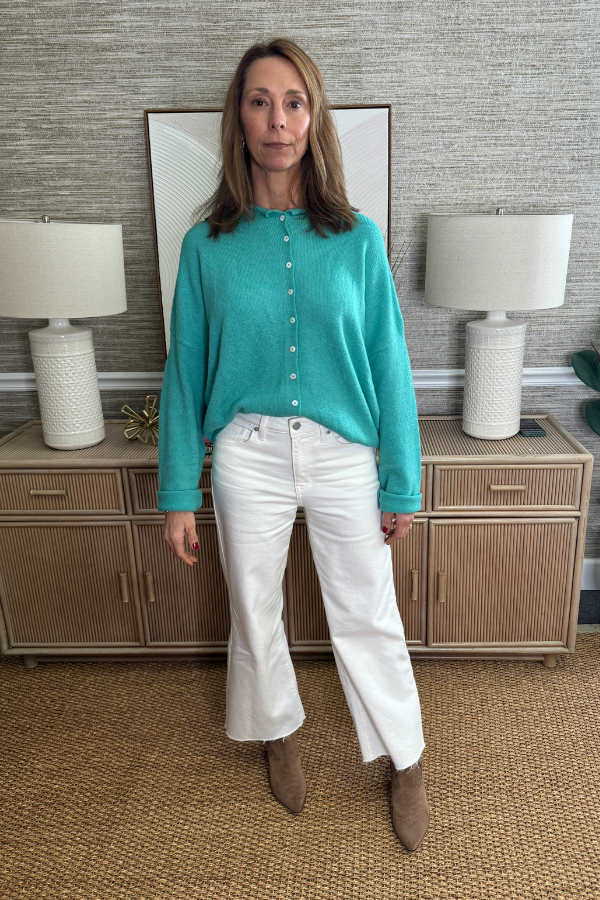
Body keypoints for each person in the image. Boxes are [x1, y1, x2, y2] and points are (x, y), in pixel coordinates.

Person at [157, 37, 430, 852]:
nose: (277, 120)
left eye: (294, 102)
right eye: (260, 102)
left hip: (345, 453)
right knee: (254, 607)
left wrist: (401, 482)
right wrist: (178, 492)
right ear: (239, 120)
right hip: (247, 452)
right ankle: (278, 731)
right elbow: (185, 371)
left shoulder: (356, 238)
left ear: (313, 119)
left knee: (367, 610)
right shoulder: (205, 246)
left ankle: (406, 758)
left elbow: (389, 362)